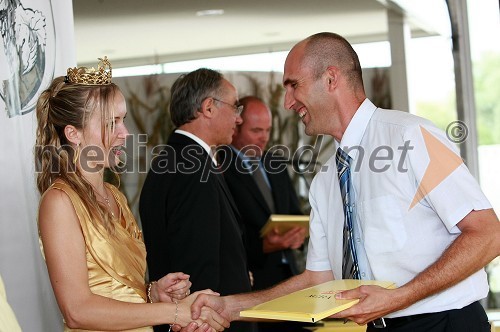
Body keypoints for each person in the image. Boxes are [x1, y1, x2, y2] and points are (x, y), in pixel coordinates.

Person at [182, 32, 500, 332]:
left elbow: (488, 234)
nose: (288, 103)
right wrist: (229, 307)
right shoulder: (325, 180)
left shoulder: (412, 137)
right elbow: (317, 279)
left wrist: (399, 298)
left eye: (293, 85)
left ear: (331, 79)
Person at [35, 58, 228, 332]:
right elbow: (77, 310)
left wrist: (152, 292)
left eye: (123, 120)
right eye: (111, 123)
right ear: (73, 133)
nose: (125, 133)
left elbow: (115, 288)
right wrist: (173, 312)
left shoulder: (115, 195)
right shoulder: (59, 202)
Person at [139, 68, 255, 332]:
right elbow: (196, 268)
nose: (238, 119)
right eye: (235, 107)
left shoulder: (180, 160)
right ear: (208, 108)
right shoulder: (191, 170)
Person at [218, 96, 307, 331]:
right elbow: (224, 235)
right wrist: (262, 246)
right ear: (235, 127)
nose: (264, 137)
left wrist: (299, 237)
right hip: (253, 282)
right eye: (256, 130)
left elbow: (294, 213)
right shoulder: (219, 168)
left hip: (291, 278)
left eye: (267, 130)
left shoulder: (275, 162)